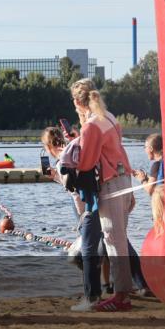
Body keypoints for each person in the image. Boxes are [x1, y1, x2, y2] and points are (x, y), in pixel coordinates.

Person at [70, 79, 136, 312]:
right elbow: (118, 150)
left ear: (77, 102)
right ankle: (123, 292)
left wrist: (70, 155)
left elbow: (86, 163)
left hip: (110, 184)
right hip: (124, 179)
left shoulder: (91, 126)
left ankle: (121, 296)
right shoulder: (110, 117)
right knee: (119, 238)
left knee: (112, 240)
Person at [132, 134, 163, 198]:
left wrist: (142, 179)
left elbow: (150, 190)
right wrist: (146, 177)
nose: (145, 150)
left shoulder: (156, 165)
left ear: (151, 148)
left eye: (145, 147)